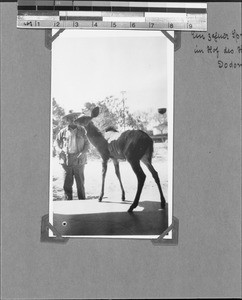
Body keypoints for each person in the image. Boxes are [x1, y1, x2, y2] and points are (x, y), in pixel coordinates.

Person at [55, 111, 90, 200]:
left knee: (80, 184)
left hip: (79, 160)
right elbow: (55, 143)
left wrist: (83, 152)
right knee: (67, 185)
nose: (73, 120)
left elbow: (87, 144)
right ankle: (68, 204)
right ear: (67, 120)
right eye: (70, 119)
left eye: (75, 118)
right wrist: (59, 150)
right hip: (66, 161)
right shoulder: (62, 132)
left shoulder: (82, 130)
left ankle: (82, 205)